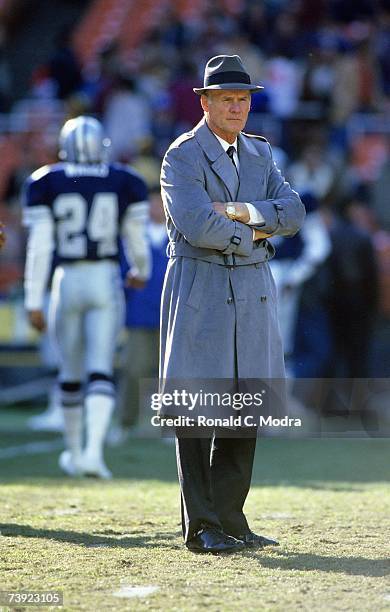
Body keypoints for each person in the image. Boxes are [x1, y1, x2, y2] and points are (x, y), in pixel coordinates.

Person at [160, 55, 305, 553]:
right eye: (227, 98)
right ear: (204, 102)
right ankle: (201, 526)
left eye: (244, 99)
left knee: (247, 407)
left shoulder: (261, 154)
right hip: (201, 288)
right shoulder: (181, 156)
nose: (238, 107)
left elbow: (295, 211)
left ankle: (231, 520)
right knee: (198, 409)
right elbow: (198, 225)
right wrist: (259, 236)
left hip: (250, 289)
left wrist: (243, 213)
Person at [23, 116, 151, 479]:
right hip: (104, 276)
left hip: (66, 279)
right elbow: (136, 240)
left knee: (70, 370)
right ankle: (93, 453)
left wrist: (34, 299)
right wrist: (140, 271)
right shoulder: (124, 179)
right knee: (100, 367)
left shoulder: (45, 180)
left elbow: (40, 247)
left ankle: (75, 452)